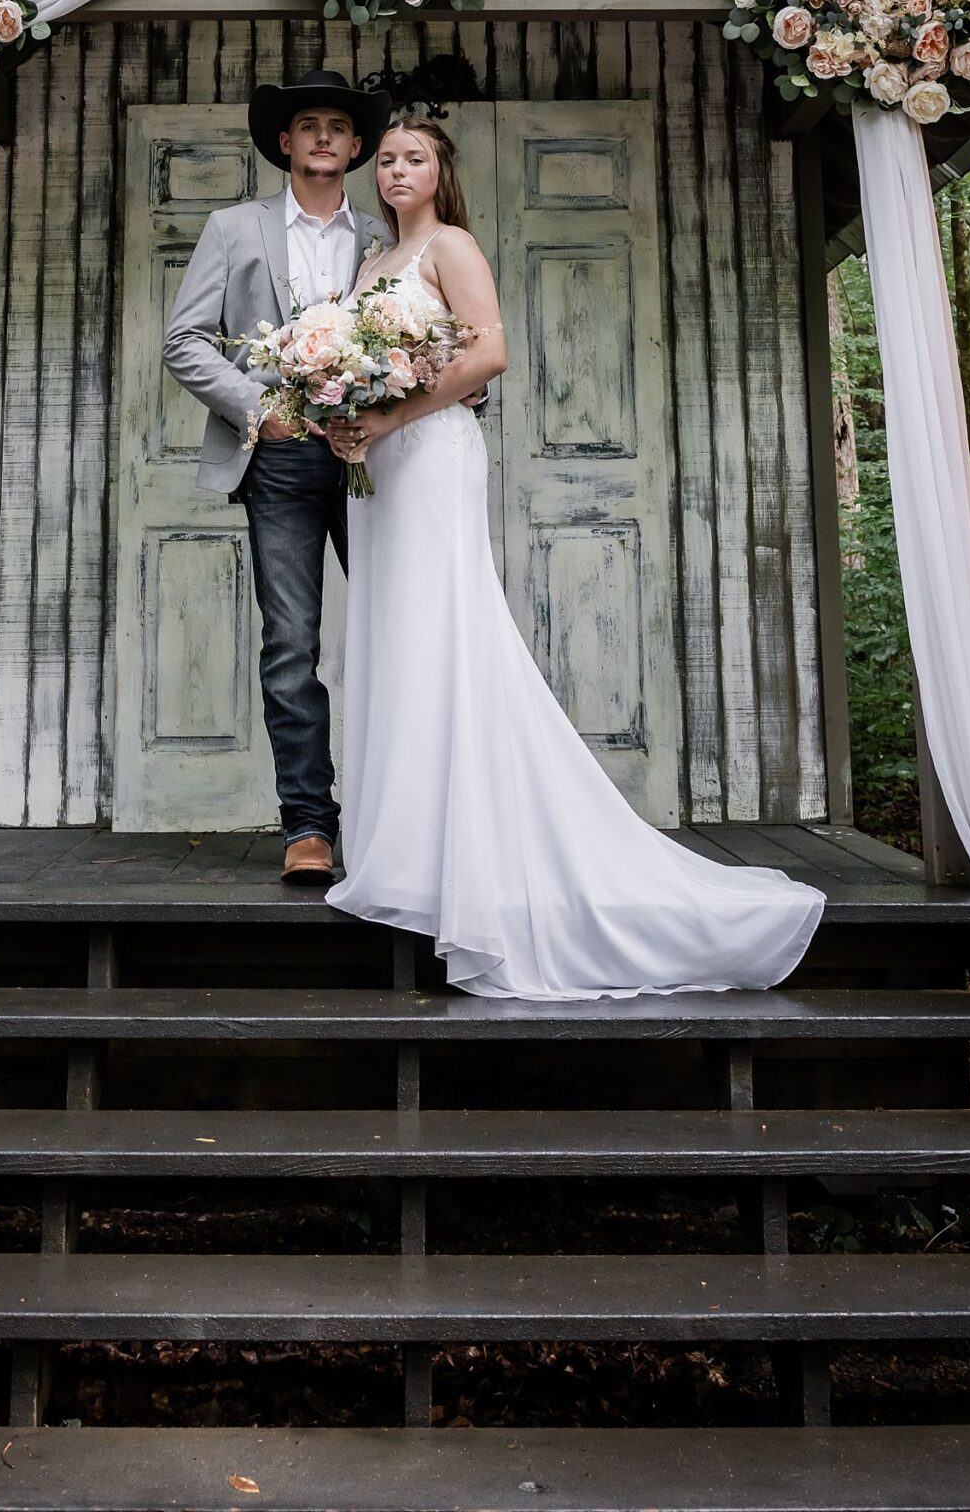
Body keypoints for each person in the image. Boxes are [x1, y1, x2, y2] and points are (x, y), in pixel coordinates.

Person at [321, 114, 825, 998]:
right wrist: (344, 414)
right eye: (389, 160)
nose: (398, 170)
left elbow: (492, 352)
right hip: (381, 469)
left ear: (440, 171)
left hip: (430, 456)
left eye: (415, 158)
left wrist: (389, 417)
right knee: (392, 642)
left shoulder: (452, 246)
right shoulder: (368, 265)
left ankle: (465, 853)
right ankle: (399, 848)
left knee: (442, 634)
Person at [163, 68, 389, 886]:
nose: (323, 135)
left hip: (376, 460)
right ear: (284, 144)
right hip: (280, 461)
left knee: (404, 630)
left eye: (338, 125)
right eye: (308, 125)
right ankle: (308, 826)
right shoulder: (232, 228)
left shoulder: (385, 236)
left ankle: (401, 811)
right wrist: (261, 409)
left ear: (356, 147)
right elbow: (184, 340)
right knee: (291, 643)